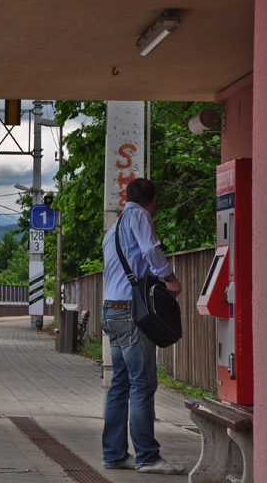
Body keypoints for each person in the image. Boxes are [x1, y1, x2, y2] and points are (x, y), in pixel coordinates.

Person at [100, 178, 185, 475]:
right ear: (154, 200)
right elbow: (151, 249)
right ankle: (148, 457)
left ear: (126, 196)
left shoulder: (113, 229)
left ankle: (113, 454)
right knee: (142, 385)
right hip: (130, 314)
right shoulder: (139, 216)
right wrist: (169, 277)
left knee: (119, 384)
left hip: (110, 310)